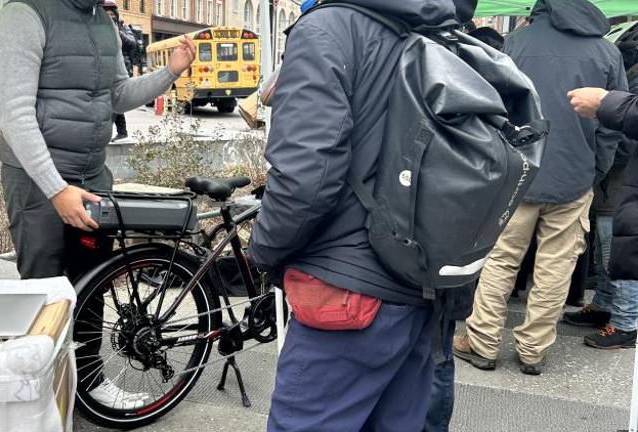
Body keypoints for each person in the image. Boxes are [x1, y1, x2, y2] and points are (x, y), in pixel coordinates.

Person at [247, 1, 478, 431]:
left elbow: (304, 178)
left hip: (347, 291)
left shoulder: (328, 29)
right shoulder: (441, 31)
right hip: (421, 284)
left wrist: (260, 251)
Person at [0, 0, 195, 407]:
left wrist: (169, 72)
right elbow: (12, 113)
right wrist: (55, 189)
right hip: (37, 181)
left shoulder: (102, 19)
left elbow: (117, 95)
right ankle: (38, 395)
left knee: (93, 283)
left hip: (92, 176)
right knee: (43, 287)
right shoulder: (25, 14)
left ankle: (89, 380)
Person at [453, 0, 627, 375]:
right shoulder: (607, 52)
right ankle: (533, 350)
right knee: (556, 267)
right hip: (575, 176)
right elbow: (615, 122)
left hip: (518, 174)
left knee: (500, 259)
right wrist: (596, 168)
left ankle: (481, 341)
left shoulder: (517, 42)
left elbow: (492, 109)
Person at [423, 23, 504, 432]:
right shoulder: (485, 56)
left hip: (411, 236)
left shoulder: (405, 49)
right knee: (437, 352)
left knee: (427, 355)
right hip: (455, 237)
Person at [567, 82, 638, 349]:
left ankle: (624, 324)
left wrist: (604, 103)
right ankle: (603, 306)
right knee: (604, 248)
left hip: (620, 174)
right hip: (614, 175)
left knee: (620, 251)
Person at [103, 1, 137, 141]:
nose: (110, 17)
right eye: (107, 15)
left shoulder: (123, 27)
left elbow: (132, 43)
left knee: (115, 101)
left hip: (122, 70)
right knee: (115, 101)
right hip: (106, 70)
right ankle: (122, 132)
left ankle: (106, 132)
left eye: (112, 14)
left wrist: (116, 32)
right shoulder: (98, 29)